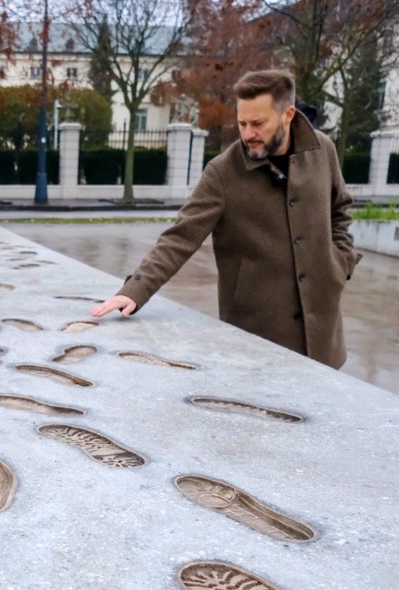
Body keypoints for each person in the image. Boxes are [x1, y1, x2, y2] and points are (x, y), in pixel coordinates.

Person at [90, 70, 360, 369]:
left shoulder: (323, 150)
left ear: (288, 115)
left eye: (258, 123)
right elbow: (180, 236)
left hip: (323, 333)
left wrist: (340, 264)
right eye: (242, 123)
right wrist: (135, 290)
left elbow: (340, 211)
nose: (247, 134)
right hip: (256, 335)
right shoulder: (222, 172)